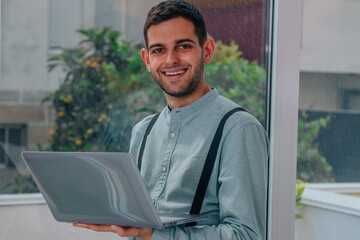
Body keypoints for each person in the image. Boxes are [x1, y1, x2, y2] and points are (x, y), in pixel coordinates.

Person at [74, 1, 269, 239]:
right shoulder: (143, 131)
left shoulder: (238, 128)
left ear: (207, 51)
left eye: (183, 46)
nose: (170, 60)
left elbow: (246, 235)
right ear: (147, 60)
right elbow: (137, 223)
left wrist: (153, 234)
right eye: (158, 50)